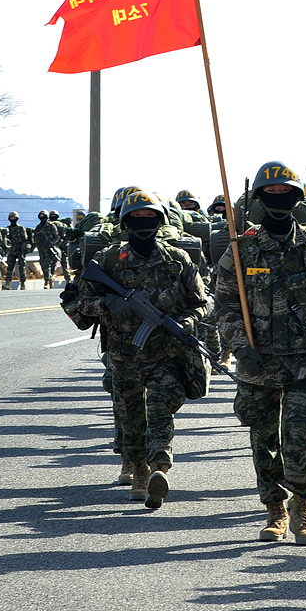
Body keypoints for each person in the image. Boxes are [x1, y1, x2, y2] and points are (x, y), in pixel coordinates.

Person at [214, 162, 306, 545]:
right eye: (271, 194)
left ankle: (302, 508)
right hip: (259, 366)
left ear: (298, 198)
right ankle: (273, 509)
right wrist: (240, 347)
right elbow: (225, 304)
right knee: (263, 442)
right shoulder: (240, 251)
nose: (279, 200)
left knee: (299, 439)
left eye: (287, 193)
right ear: (259, 199)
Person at [65, 190, 210, 507]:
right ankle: (139, 471)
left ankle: (159, 468)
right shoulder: (108, 260)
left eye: (150, 217)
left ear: (161, 221)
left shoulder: (178, 260)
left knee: (159, 413)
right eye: (136, 217)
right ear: (125, 222)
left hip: (167, 355)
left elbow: (202, 302)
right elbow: (79, 301)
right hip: (123, 356)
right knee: (131, 421)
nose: (143, 222)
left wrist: (188, 321)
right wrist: (111, 303)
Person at [34, 210, 62, 289]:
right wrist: (39, 241)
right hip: (41, 248)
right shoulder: (38, 227)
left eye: (43, 216)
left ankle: (47, 281)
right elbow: (35, 237)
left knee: (48, 264)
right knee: (43, 264)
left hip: (49, 249)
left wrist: (51, 243)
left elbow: (57, 237)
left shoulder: (51, 226)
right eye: (40, 216)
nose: (42, 217)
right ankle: (50, 277)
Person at [4, 211, 30, 290]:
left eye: (14, 218)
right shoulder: (7, 229)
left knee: (22, 267)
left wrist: (22, 249)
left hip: (20, 250)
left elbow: (25, 239)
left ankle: (23, 283)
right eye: (11, 218)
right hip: (12, 250)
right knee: (10, 267)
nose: (13, 219)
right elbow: (5, 240)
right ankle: (8, 283)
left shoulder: (20, 228)